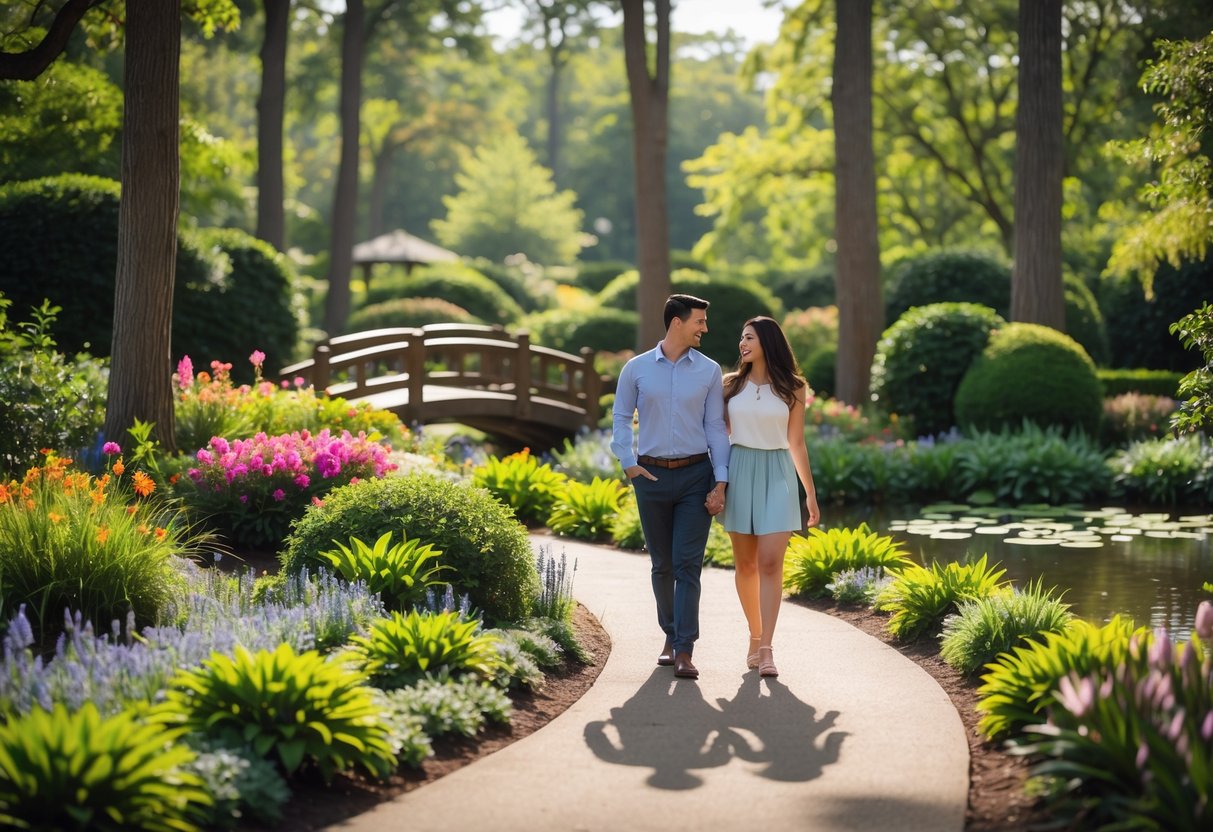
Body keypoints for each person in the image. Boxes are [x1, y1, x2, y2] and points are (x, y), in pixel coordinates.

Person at [611, 294, 731, 680]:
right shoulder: (636, 368)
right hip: (651, 476)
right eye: (700, 321)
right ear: (676, 322)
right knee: (661, 564)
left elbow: (715, 426)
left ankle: (684, 649)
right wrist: (628, 463)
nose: (705, 329)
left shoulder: (710, 371)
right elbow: (619, 418)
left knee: (687, 564)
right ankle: (670, 634)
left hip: (697, 476)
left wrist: (722, 479)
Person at [720, 316, 820, 678]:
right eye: (741, 338)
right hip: (740, 469)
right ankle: (753, 634)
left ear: (768, 342)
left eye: (749, 338)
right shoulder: (729, 385)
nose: (742, 344)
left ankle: (766, 649)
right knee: (745, 565)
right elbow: (718, 434)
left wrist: (809, 493)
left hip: (779, 474)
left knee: (769, 563)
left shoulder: (793, 387)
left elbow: (796, 442)